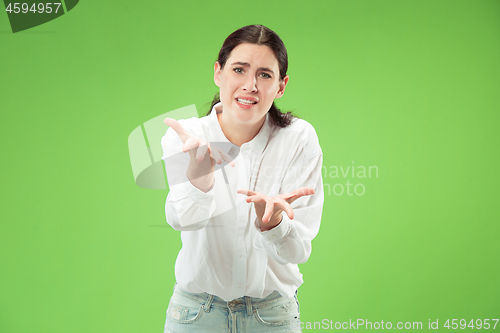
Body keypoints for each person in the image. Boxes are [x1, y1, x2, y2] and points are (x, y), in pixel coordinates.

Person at [161, 24, 324, 333]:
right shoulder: (188, 136)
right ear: (218, 73)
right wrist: (200, 179)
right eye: (239, 70)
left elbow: (298, 251)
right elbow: (182, 220)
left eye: (265, 75)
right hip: (195, 314)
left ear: (281, 86)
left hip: (272, 315)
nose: (250, 85)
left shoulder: (299, 138)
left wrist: (274, 224)